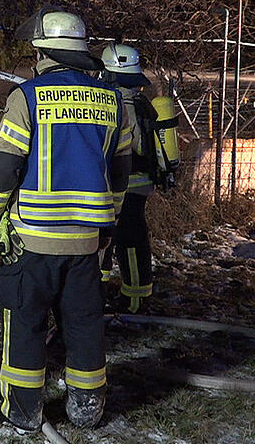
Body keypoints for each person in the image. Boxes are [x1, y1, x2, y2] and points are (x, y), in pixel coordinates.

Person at [0, 7, 133, 433]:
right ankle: (87, 409)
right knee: (83, 323)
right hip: (87, 243)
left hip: (33, 241)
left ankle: (23, 412)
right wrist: (107, 225)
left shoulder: (26, 97)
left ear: (43, 53)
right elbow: (120, 173)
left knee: (25, 322)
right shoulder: (115, 100)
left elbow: (4, 168)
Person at [99, 44, 169, 314]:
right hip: (139, 185)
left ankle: (131, 298)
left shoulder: (119, 105)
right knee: (130, 240)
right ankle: (134, 294)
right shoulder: (139, 102)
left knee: (116, 240)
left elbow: (130, 146)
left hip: (121, 185)